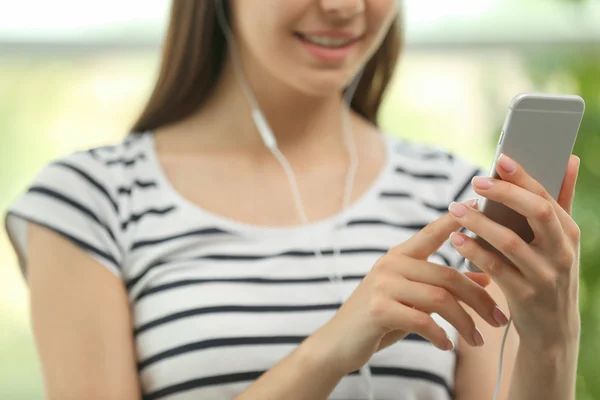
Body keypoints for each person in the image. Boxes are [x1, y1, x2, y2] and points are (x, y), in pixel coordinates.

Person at [5, 1, 582, 399]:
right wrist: (330, 350)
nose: (343, 8)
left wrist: (552, 339)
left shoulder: (456, 199)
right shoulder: (92, 202)